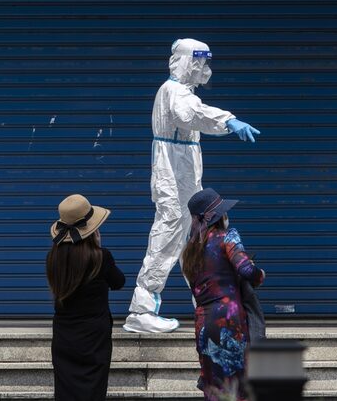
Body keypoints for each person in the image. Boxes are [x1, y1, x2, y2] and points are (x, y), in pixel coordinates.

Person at [124, 38, 261, 333]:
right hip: (172, 171)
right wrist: (228, 120)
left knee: (194, 236)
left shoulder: (184, 92)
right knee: (169, 229)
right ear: (189, 62)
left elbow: (196, 115)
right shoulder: (173, 91)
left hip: (183, 169)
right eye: (200, 62)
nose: (204, 69)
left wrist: (226, 123)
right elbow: (191, 114)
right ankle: (142, 309)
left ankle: (208, 303)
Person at [181, 188, 265, 401]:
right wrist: (260, 275)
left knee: (214, 387)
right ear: (219, 216)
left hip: (203, 324)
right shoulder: (228, 236)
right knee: (237, 387)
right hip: (229, 321)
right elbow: (246, 269)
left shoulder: (190, 250)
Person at [47, 194, 126, 401]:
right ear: (92, 230)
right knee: (93, 389)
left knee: (65, 389)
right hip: (94, 336)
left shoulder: (53, 256)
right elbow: (119, 282)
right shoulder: (101, 256)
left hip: (64, 334)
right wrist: (99, 248)